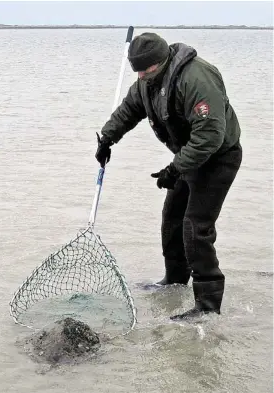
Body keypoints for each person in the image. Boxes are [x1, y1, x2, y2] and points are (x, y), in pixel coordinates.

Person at [95, 32, 242, 321]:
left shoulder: (196, 79)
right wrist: (107, 138)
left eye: (145, 70)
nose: (140, 75)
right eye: (136, 70)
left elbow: (210, 136)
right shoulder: (146, 80)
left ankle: (208, 305)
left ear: (161, 62)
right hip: (189, 156)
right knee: (172, 217)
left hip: (218, 158)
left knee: (195, 226)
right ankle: (174, 280)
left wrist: (175, 168)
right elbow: (129, 110)